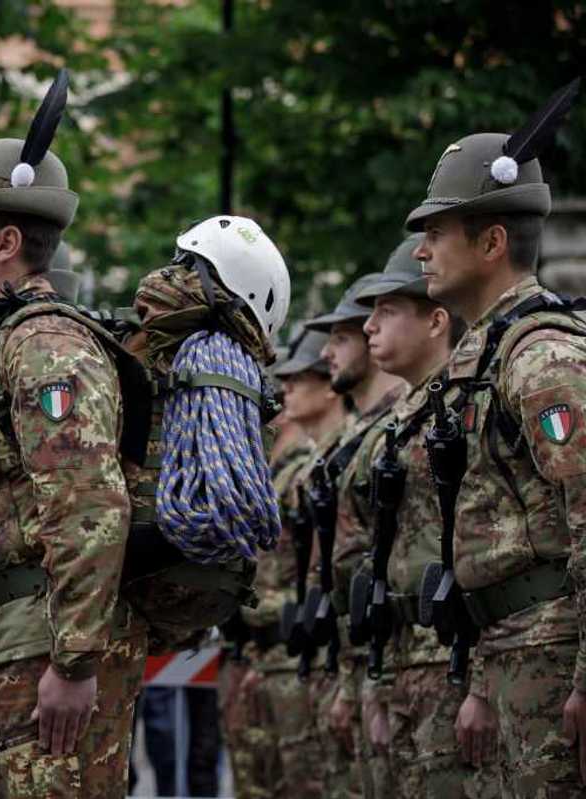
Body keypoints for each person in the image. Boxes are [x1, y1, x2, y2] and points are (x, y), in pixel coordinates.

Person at [0, 80, 146, 796]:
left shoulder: (47, 345)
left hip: (46, 643)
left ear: (7, 242)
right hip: (12, 640)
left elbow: (89, 504)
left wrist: (76, 660)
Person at [405, 81, 586, 797]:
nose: (420, 253)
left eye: (435, 233)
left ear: (492, 241)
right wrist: (479, 677)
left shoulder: (543, 357)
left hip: (553, 654)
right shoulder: (487, 354)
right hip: (512, 651)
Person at [348, 235, 500, 797]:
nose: (369, 328)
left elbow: (485, 550)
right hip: (408, 659)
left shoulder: (463, 409)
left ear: (437, 323)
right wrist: (378, 682)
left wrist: (480, 684)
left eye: (387, 312)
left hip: (456, 663)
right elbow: (378, 560)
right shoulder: (401, 421)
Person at [302, 277, 406, 798]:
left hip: (400, 667)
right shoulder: (356, 441)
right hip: (359, 664)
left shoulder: (398, 431)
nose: (327, 354)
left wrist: (368, 682)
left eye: (340, 339)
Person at [227, 329, 336, 799]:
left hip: (295, 653)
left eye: (297, 380)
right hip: (264, 652)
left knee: (303, 781)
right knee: (262, 781)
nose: (283, 393)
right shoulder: (273, 476)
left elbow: (315, 573)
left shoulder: (308, 473)